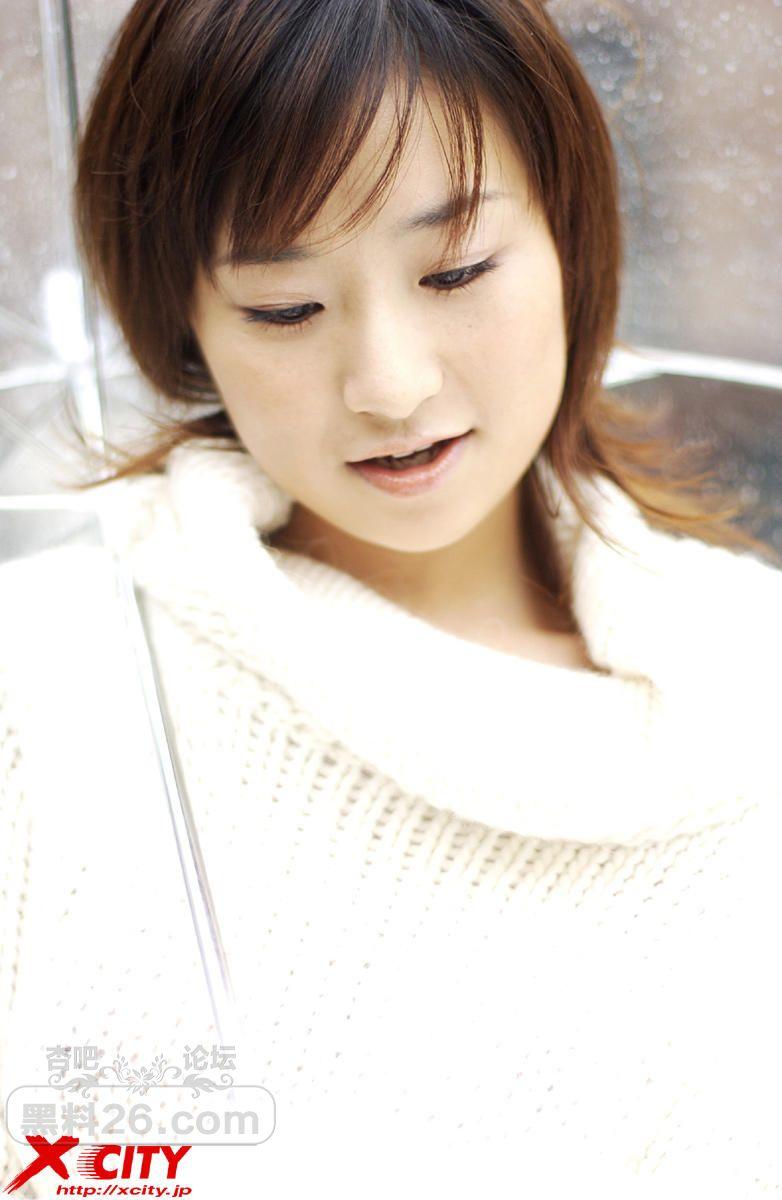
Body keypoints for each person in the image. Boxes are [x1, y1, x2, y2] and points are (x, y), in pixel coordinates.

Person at [1, 0, 781, 1195]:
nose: (388, 384)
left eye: (454, 270)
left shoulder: (745, 705)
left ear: (570, 236)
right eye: (283, 309)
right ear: (184, 323)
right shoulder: (50, 680)